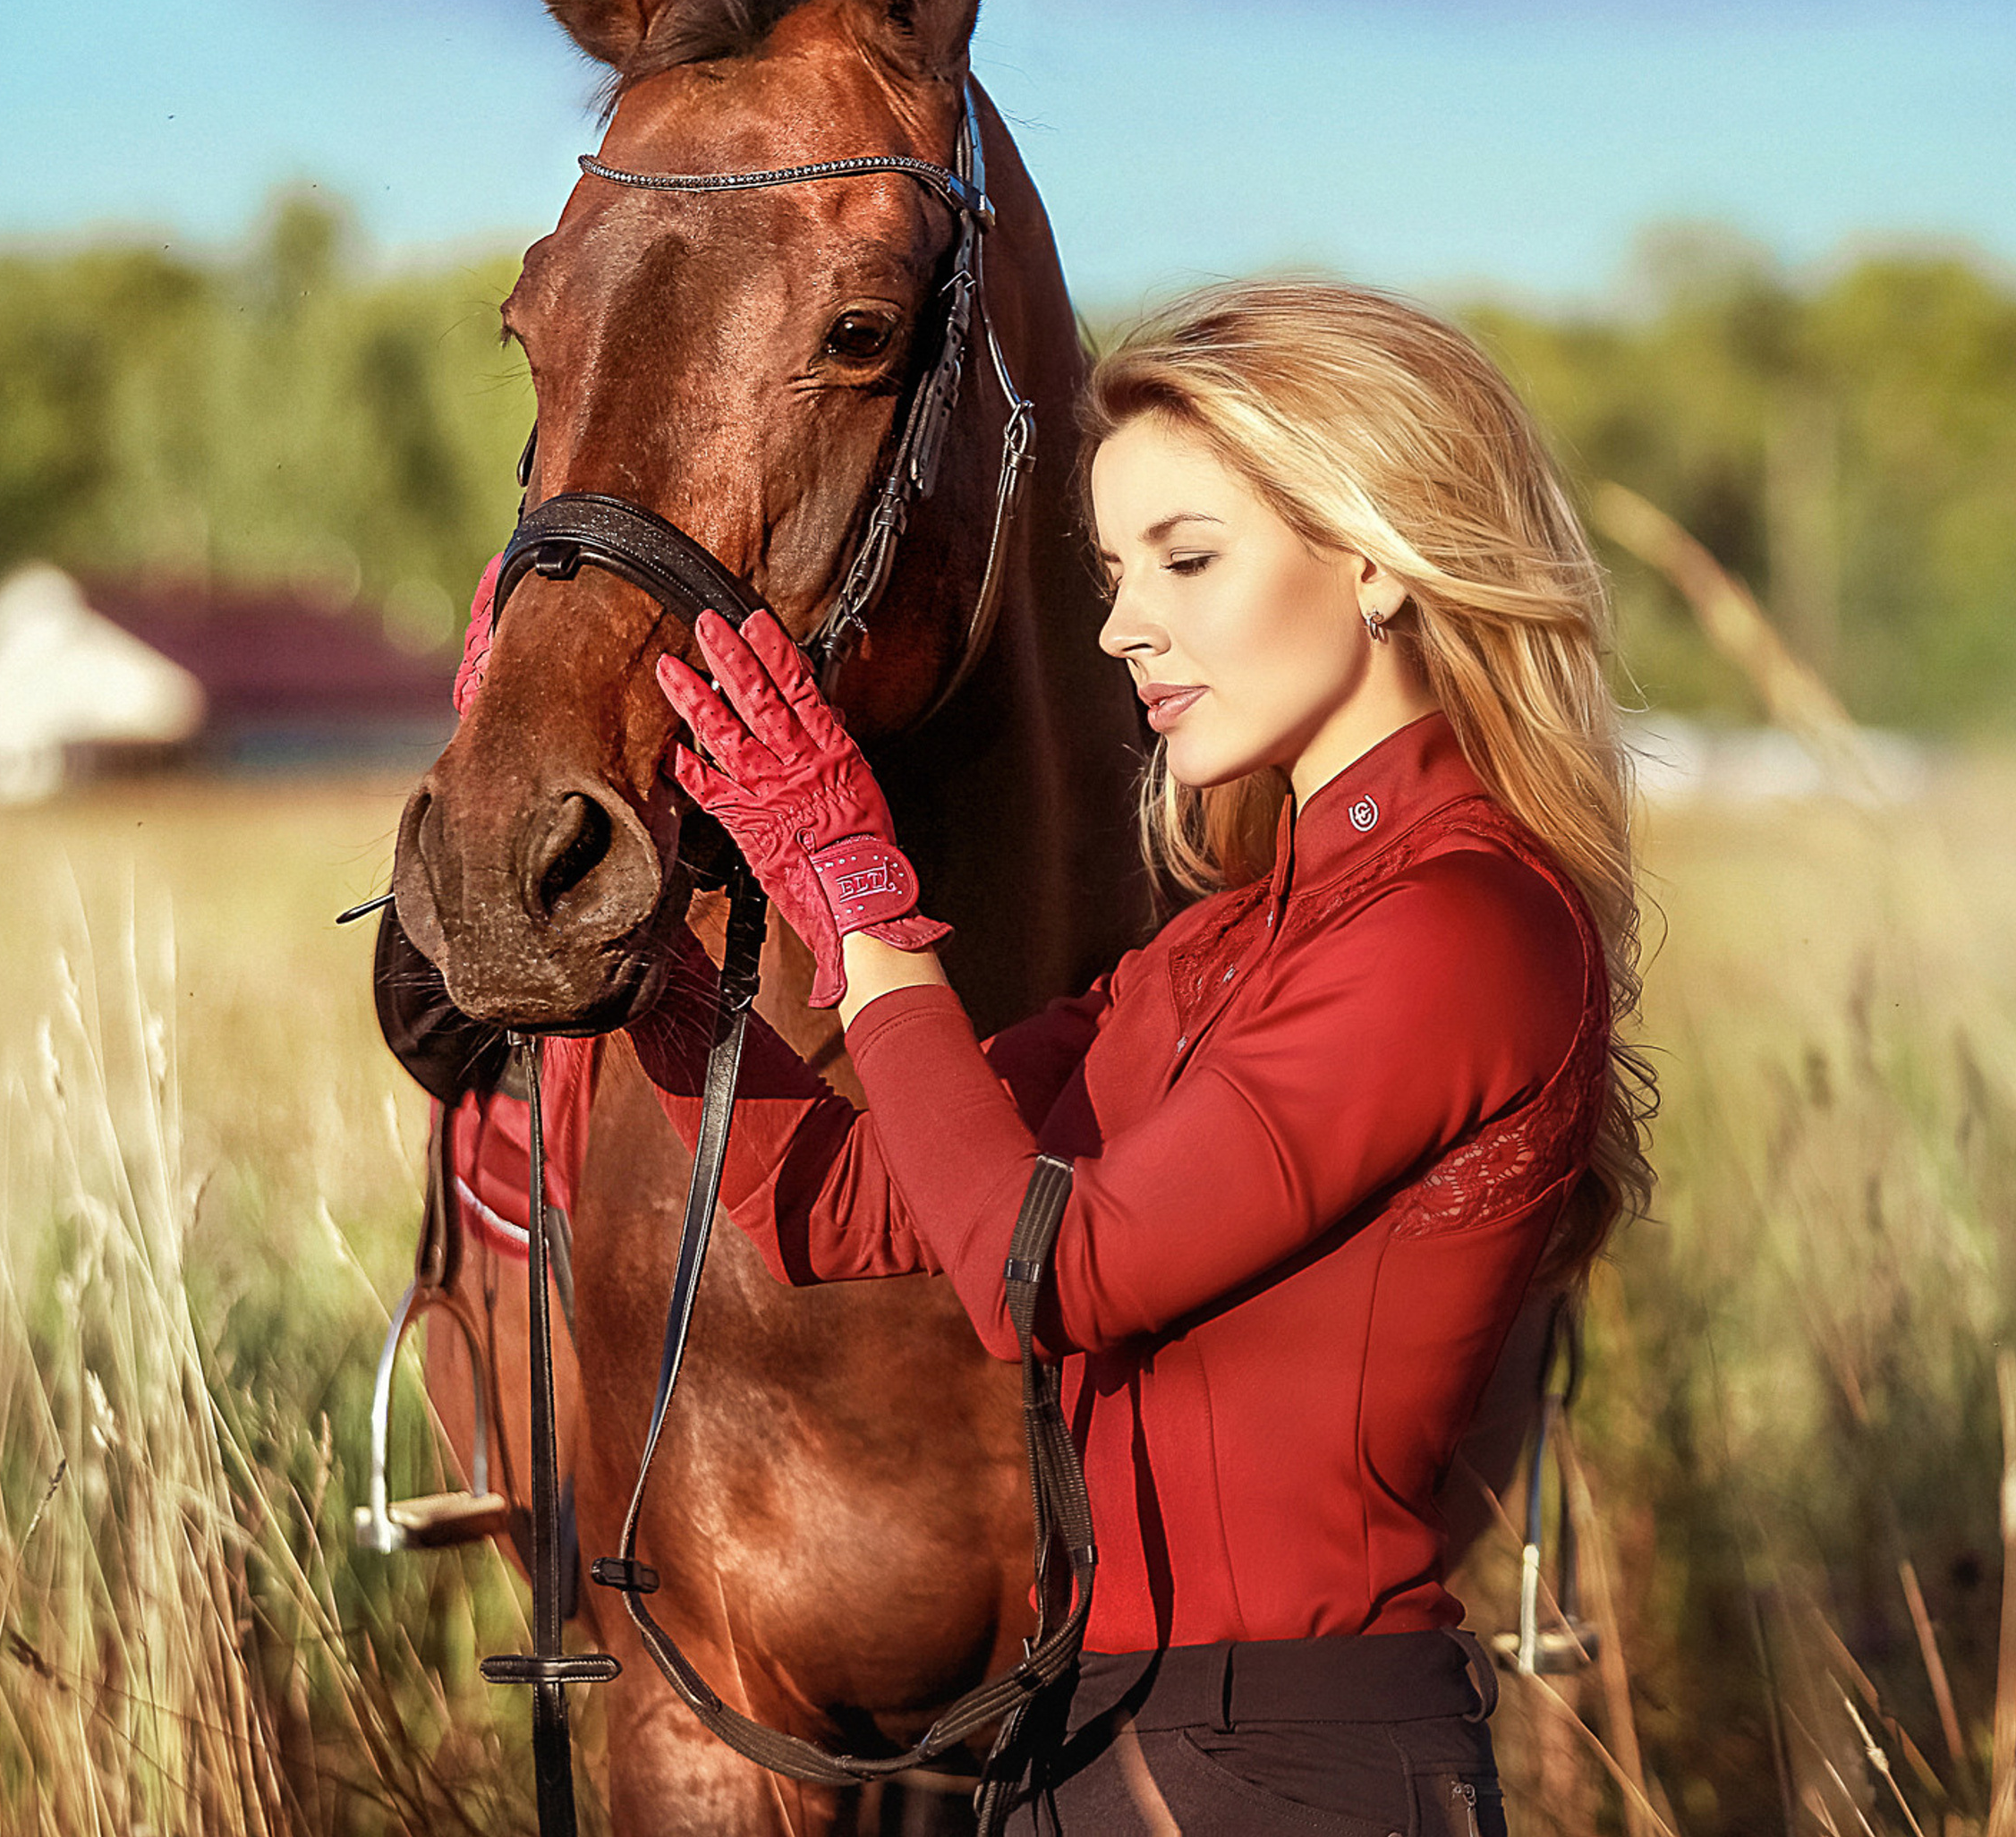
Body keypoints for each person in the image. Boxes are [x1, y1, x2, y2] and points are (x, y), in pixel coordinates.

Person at [616, 280, 1654, 1835]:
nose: (1121, 626)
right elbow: (837, 1207)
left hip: (1296, 1763)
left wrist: (861, 900)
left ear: (1373, 553)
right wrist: (635, 958)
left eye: (1187, 558)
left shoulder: (1468, 927)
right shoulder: (1228, 942)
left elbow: (1050, 1275)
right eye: (1113, 573)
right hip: (1089, 1746)